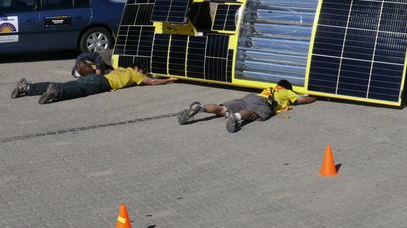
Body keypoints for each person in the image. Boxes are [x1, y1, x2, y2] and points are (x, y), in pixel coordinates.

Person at [177, 79, 317, 132]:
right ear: (288, 88)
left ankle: (200, 108)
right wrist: (315, 97)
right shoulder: (287, 92)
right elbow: (303, 100)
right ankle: (236, 118)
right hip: (261, 103)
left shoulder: (271, 88)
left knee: (222, 109)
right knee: (252, 114)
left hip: (250, 96)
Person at [10, 65, 177, 104]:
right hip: (102, 83)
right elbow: (153, 82)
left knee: (68, 83)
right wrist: (169, 80)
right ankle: (57, 93)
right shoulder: (136, 74)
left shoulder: (121, 68)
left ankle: (28, 88)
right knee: (80, 90)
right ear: (140, 70)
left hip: (96, 77)